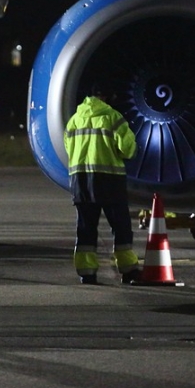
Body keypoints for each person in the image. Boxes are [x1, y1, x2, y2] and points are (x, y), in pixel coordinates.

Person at [64, 83, 139, 285]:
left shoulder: (74, 121)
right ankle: (128, 269)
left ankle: (86, 272)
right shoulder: (113, 118)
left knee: (86, 228)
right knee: (121, 226)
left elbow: (68, 149)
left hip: (81, 181)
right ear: (107, 97)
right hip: (109, 180)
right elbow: (128, 150)